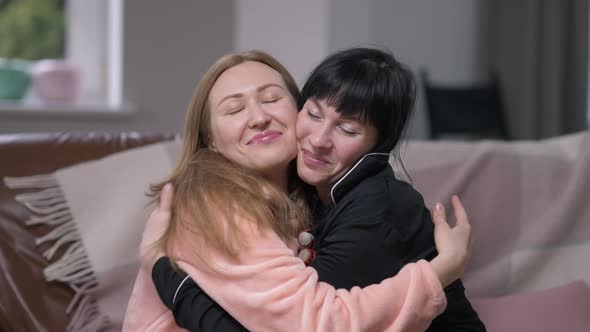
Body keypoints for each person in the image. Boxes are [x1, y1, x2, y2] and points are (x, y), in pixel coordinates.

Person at [123, 49, 473, 332]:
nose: (258, 117)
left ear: (294, 107)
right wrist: (441, 271)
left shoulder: (318, 198)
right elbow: (317, 323)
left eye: (272, 98)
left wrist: (162, 269)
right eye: (234, 109)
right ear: (210, 140)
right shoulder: (216, 201)